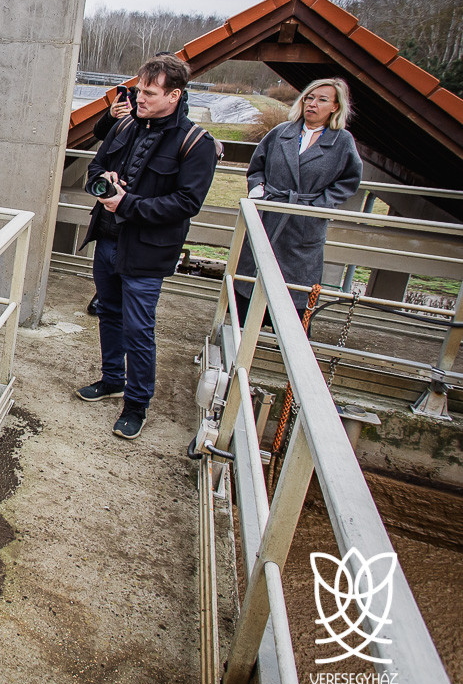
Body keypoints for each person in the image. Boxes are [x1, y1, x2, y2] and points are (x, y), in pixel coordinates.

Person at [74, 54, 217, 441]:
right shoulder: (123, 126)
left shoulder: (196, 143)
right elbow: (93, 169)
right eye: (139, 90)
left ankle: (136, 404)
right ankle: (112, 379)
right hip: (107, 241)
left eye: (150, 93)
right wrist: (103, 181)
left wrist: (127, 204)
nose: (140, 98)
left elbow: (187, 203)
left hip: (147, 251)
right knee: (109, 314)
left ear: (174, 95)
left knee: (138, 330)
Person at [234, 77, 362, 323]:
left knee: (294, 290)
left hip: (304, 223)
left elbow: (348, 181)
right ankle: (243, 331)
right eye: (309, 98)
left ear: (335, 106)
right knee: (252, 277)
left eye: (322, 100)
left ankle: (287, 334)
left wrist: (319, 206)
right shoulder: (281, 132)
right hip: (269, 216)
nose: (312, 104)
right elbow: (257, 167)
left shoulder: (342, 141)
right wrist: (258, 190)